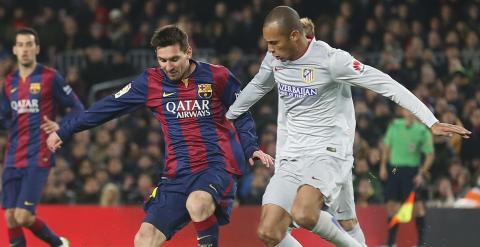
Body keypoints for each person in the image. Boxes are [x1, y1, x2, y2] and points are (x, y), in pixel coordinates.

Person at [226, 6, 471, 247]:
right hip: (291, 156)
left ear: (294, 35)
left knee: (305, 213)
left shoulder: (332, 60)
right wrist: (228, 116)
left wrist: (431, 120)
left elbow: (384, 83)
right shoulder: (274, 59)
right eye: (267, 42)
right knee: (269, 232)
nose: (269, 49)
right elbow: (259, 86)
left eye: (275, 43)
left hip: (328, 153)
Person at [46, 25, 273, 247]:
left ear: (188, 52)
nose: (168, 66)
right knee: (143, 239)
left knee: (197, 203)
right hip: (177, 173)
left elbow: (241, 111)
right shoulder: (150, 82)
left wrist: (250, 146)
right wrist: (65, 130)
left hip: (216, 165)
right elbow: (107, 107)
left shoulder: (218, 76)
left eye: (174, 59)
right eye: (162, 60)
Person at [1, 27, 84, 247]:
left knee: (23, 216)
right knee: (10, 217)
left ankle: (58, 244)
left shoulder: (50, 77)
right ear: (15, 50)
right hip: (12, 156)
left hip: (38, 155)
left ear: (36, 48)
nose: (25, 49)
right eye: (21, 45)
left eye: (29, 44)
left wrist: (61, 126)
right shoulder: (9, 82)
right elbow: (4, 117)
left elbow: (78, 108)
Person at [380, 108, 434, 247]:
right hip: (395, 169)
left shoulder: (422, 131)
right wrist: (383, 166)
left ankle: (421, 243)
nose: (409, 114)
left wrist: (421, 173)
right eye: (407, 111)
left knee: (417, 207)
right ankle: (391, 243)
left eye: (412, 111)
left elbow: (430, 155)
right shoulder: (394, 125)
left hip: (412, 171)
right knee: (392, 206)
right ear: (402, 112)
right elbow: (386, 147)